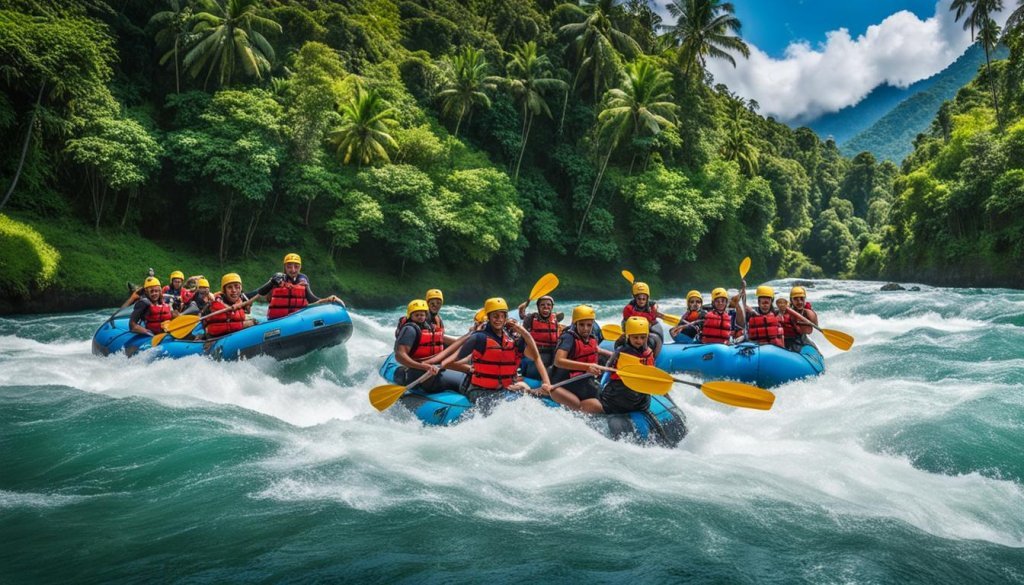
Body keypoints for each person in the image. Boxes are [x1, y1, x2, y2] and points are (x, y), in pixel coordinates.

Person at [442, 297, 551, 410]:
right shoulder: (479, 338)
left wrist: (546, 383)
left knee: (524, 391)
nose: (499, 319)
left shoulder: (511, 341)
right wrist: (470, 369)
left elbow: (536, 356)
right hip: (480, 390)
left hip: (503, 389)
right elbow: (449, 362)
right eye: (495, 316)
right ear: (488, 317)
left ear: (505, 318)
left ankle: (530, 391)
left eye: (502, 316)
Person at [550, 305, 615, 411]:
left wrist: (614, 355)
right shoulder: (568, 338)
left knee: (605, 401)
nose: (586, 329)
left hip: (583, 380)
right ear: (575, 324)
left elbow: (595, 349)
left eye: (589, 325)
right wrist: (587, 367)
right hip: (566, 381)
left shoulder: (591, 335)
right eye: (582, 325)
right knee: (591, 406)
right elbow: (558, 361)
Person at [589, 316, 658, 414]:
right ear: (628, 336)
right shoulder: (649, 353)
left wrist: (600, 387)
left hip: (618, 398)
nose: (639, 341)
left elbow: (608, 369)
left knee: (595, 394)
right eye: (635, 337)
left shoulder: (620, 351)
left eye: (642, 337)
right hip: (641, 402)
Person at [252, 253, 342, 320]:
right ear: (285, 267)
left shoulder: (303, 279)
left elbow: (311, 299)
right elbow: (261, 292)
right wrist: (272, 282)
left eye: (296, 266)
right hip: (278, 320)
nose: (293, 270)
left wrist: (328, 299)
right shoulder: (278, 278)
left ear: (300, 267)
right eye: (289, 267)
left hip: (297, 318)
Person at [393, 299, 446, 391]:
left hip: (432, 366)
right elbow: (400, 355)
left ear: (426, 315)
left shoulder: (429, 327)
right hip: (416, 369)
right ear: (410, 316)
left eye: (422, 315)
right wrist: (422, 366)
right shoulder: (410, 329)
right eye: (416, 315)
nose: (420, 317)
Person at [517, 295, 562, 377]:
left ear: (552, 307)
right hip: (536, 353)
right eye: (542, 305)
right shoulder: (531, 318)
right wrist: (526, 304)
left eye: (549, 305)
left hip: (553, 352)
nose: (546, 307)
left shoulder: (555, 318)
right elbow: (522, 318)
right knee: (534, 374)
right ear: (538, 307)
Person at [203, 273, 258, 338]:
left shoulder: (241, 299)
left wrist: (271, 283)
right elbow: (213, 329)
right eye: (229, 287)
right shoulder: (216, 304)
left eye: (237, 287)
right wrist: (243, 325)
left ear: (240, 289)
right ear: (224, 291)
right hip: (215, 339)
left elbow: (259, 291)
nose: (234, 290)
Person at [779, 286, 818, 352]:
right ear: (791, 300)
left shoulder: (808, 313)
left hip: (801, 339)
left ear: (805, 299)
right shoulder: (785, 311)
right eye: (796, 299)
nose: (799, 302)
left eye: (801, 299)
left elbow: (811, 329)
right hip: (786, 341)